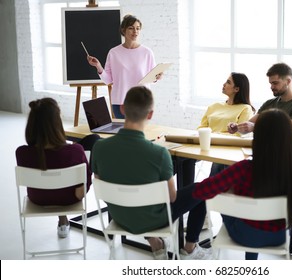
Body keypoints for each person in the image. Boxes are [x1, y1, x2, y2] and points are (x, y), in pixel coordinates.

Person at [91, 86, 212, 260]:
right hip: (153, 220)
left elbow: (100, 183)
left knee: (132, 185)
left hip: (120, 216)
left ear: (122, 108)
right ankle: (190, 248)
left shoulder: (99, 147)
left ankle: (155, 242)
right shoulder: (159, 154)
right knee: (202, 189)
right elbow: (171, 198)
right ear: (150, 114)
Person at [193, 108, 292, 260]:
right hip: (279, 236)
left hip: (245, 235)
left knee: (233, 193)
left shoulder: (244, 168)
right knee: (253, 199)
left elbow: (202, 191)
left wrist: (229, 193)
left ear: (259, 136)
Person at [15, 98, 97, 238]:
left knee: (60, 165)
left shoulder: (22, 153)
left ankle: (62, 220)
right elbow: (82, 189)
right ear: (57, 123)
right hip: (70, 198)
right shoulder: (76, 151)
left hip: (38, 198)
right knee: (94, 140)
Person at [179, 72, 255, 180]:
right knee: (182, 158)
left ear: (237, 89)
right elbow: (201, 128)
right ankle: (185, 193)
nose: (224, 84)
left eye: (228, 82)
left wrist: (213, 136)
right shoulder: (214, 106)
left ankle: (208, 193)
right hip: (206, 144)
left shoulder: (245, 108)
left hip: (225, 149)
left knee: (218, 164)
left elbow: (240, 135)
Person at [87, 14, 160, 119]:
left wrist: (157, 76)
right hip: (120, 102)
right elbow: (108, 80)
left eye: (138, 28)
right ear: (123, 30)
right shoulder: (113, 53)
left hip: (141, 102)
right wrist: (98, 66)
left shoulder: (147, 52)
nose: (135, 31)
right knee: (122, 131)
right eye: (131, 28)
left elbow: (153, 76)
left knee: (138, 133)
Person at [228, 62, 292, 142]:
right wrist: (237, 127)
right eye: (271, 83)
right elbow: (249, 125)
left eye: (275, 83)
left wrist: (255, 128)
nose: (272, 87)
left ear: (288, 81)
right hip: (265, 149)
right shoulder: (269, 104)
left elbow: (287, 133)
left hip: (286, 152)